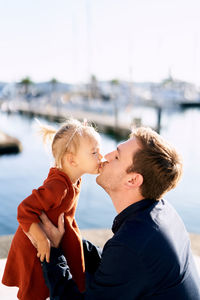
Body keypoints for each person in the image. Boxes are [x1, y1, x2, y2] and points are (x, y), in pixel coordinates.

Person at [38, 126, 200, 299]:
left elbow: (125, 257)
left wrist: (52, 252)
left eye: (116, 156)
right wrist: (68, 238)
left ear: (132, 180)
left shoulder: (132, 244)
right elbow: (118, 265)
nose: (104, 157)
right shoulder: (161, 211)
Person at [2, 118, 102, 300]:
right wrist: (42, 240)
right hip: (35, 243)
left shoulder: (74, 179)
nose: (100, 157)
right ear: (72, 160)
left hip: (48, 238)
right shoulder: (59, 186)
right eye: (94, 152)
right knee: (35, 289)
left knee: (47, 286)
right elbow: (24, 209)